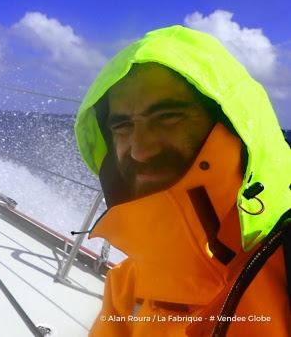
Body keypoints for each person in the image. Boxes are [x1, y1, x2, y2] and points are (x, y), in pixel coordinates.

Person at [74, 26, 291, 336]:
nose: (140, 150)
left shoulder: (282, 263)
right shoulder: (126, 283)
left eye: (167, 117)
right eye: (123, 126)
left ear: (232, 125)